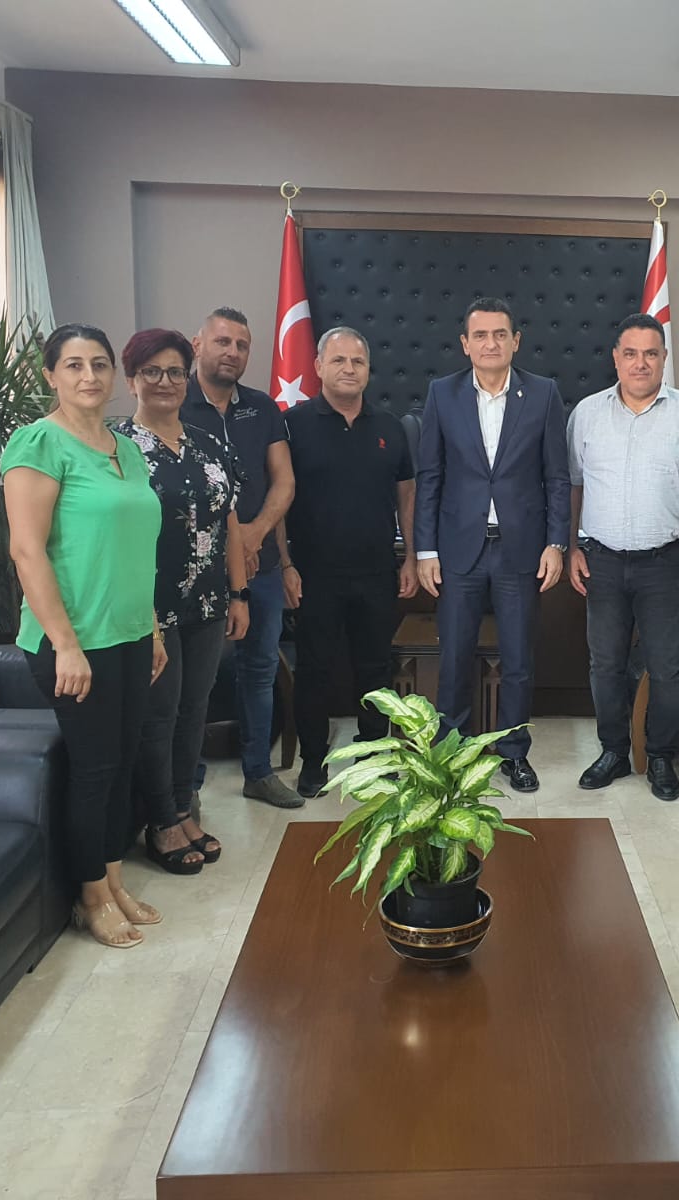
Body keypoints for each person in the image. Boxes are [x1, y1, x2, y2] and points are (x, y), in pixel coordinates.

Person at [2, 323, 165, 949]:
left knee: (122, 765)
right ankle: (89, 896)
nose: (89, 376)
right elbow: (27, 550)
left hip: (129, 633)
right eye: (73, 365)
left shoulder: (126, 447)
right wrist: (65, 644)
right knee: (94, 769)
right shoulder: (38, 443)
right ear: (50, 375)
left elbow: (136, 548)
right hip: (73, 641)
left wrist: (152, 627)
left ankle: (114, 880)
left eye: (99, 364)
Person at [414, 297, 569, 793]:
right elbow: (430, 476)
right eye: (480, 335)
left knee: (518, 660)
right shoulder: (443, 393)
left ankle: (514, 754)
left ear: (515, 341)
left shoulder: (543, 394)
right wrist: (424, 550)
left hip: (520, 549)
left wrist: (556, 543)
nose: (490, 343)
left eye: (500, 334)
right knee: (455, 657)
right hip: (458, 550)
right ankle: (452, 755)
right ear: (465, 344)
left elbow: (557, 477)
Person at [115, 329, 249, 873]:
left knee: (195, 709)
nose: (165, 382)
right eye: (152, 372)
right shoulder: (118, 448)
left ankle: (183, 808)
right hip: (150, 606)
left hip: (208, 601)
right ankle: (160, 822)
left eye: (174, 371)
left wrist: (238, 593)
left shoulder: (209, 444)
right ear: (132, 381)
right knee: (160, 713)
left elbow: (230, 523)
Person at [567, 313, 679, 801]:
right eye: (630, 353)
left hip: (665, 562)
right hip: (602, 561)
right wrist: (571, 545)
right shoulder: (586, 413)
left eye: (651, 353)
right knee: (605, 663)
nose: (640, 363)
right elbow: (573, 486)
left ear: (664, 358)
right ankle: (613, 751)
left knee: (667, 666)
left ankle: (660, 756)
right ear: (615, 358)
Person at [279, 327, 419, 799]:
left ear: (368, 370)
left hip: (377, 570)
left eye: (358, 361)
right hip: (313, 573)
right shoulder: (293, 425)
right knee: (315, 671)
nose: (348, 369)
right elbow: (279, 498)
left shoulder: (390, 427)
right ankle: (313, 761)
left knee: (375, 670)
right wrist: (285, 564)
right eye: (338, 360)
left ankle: (374, 756)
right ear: (318, 366)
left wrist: (411, 557)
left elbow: (406, 495)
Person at [181, 307, 297, 808]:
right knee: (195, 679)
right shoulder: (175, 403)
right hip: (196, 571)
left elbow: (284, 482)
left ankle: (258, 772)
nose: (232, 352)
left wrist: (252, 536)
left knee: (259, 670)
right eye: (223, 342)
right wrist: (230, 545)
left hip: (260, 564)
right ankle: (187, 785)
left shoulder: (262, 408)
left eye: (242, 345)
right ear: (198, 344)